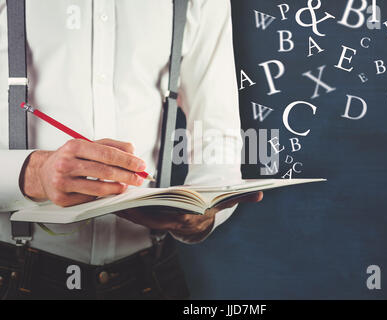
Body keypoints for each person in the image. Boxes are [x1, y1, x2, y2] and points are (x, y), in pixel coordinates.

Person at [0, 0, 262, 299]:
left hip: (151, 273)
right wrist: (32, 174)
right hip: (14, 271)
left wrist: (202, 209)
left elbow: (217, 133)